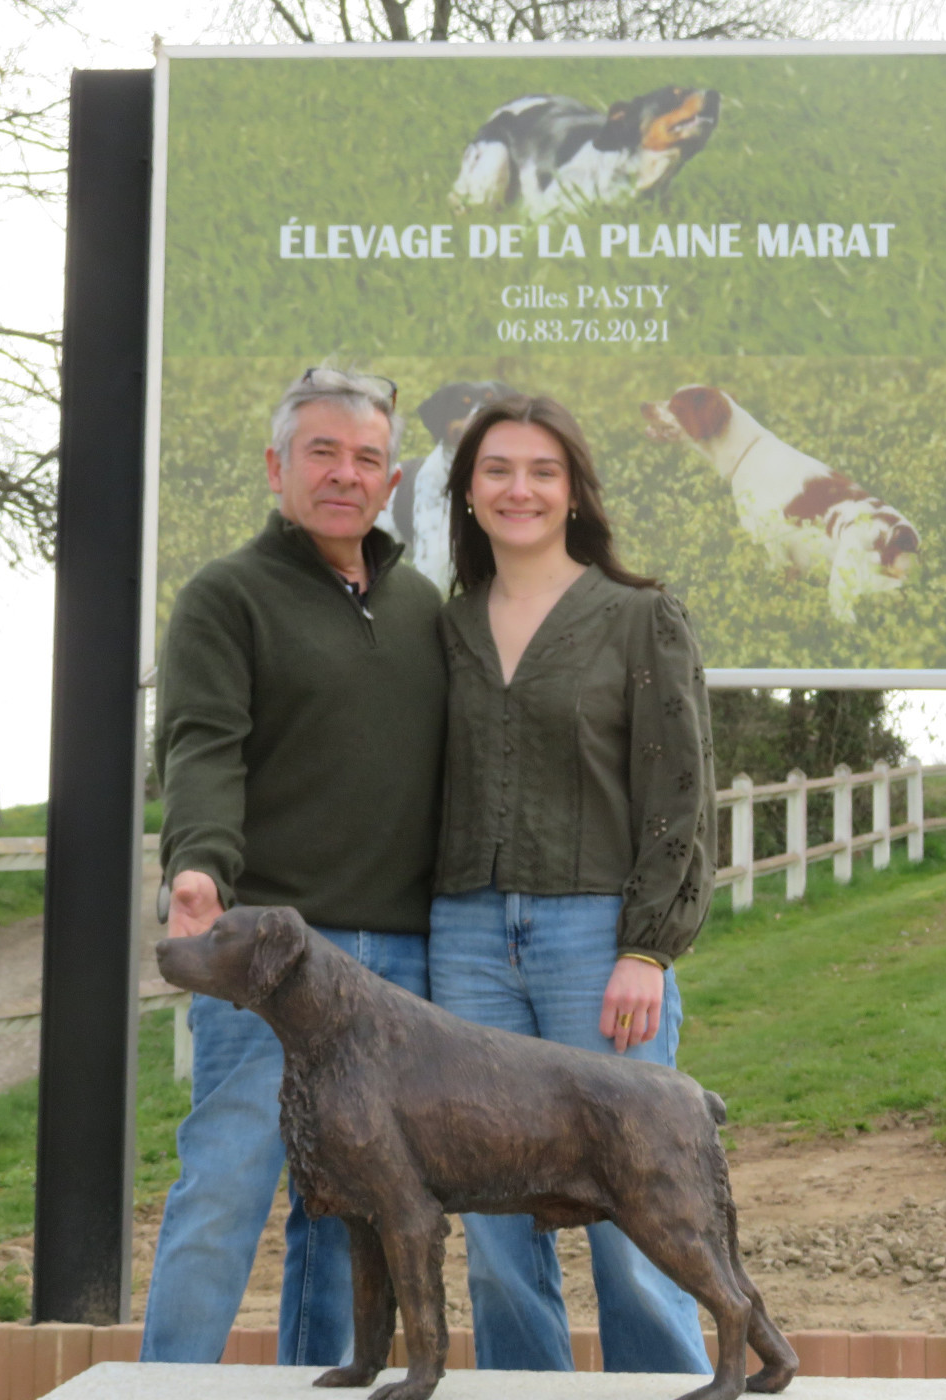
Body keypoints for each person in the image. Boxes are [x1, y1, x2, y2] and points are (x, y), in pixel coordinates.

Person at [140, 366, 446, 1366]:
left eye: (366, 457)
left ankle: (326, 1383)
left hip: (398, 970)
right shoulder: (225, 596)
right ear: (277, 465)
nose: (344, 473)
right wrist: (198, 866)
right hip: (271, 960)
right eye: (322, 451)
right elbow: (201, 745)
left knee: (348, 1205)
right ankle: (160, 1389)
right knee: (225, 1186)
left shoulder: (421, 608)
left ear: (391, 479)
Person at [427, 393, 717, 1375]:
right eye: (497, 469)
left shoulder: (638, 618)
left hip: (597, 941)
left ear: (572, 490)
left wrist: (647, 946)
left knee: (634, 1210)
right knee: (497, 1226)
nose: (519, 488)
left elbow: (677, 793)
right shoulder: (444, 628)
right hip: (463, 942)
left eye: (541, 470)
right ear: (465, 493)